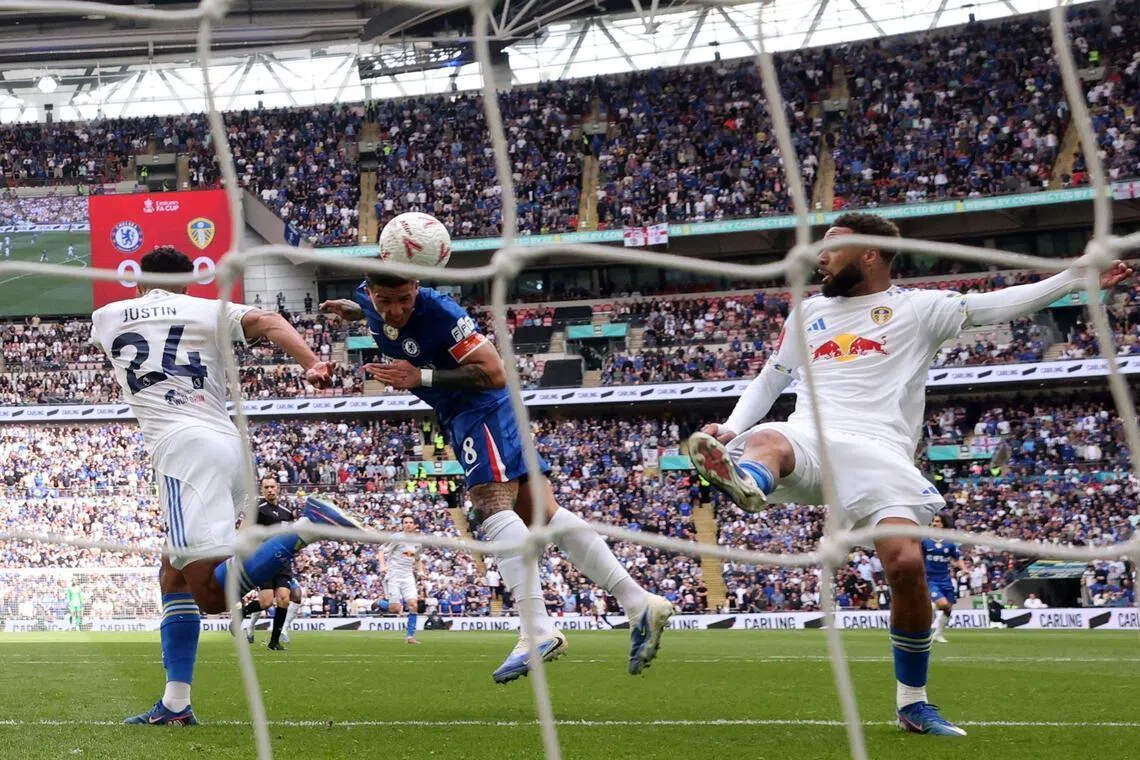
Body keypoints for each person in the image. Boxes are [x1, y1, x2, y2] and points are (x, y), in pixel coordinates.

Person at [686, 212, 1134, 738]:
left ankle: (912, 703)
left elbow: (997, 305)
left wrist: (1073, 276)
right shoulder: (807, 313)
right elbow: (772, 379)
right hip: (808, 436)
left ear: (870, 254)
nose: (819, 258)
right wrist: (731, 426)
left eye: (832, 248)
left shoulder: (919, 310)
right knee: (765, 439)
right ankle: (748, 483)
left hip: (880, 451)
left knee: (905, 567)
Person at [321, 272, 673, 683]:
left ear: (417, 285)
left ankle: (538, 630)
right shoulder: (368, 298)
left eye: (404, 299)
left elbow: (494, 372)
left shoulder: (441, 313)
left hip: (483, 407)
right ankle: (637, 602)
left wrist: (422, 378)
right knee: (541, 514)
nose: (395, 310)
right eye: (385, 301)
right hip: (461, 414)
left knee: (490, 503)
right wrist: (360, 312)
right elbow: (374, 307)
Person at [91, 245, 362, 726]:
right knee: (173, 574)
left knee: (209, 597)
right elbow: (270, 323)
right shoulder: (210, 308)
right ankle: (176, 703)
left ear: (135, 280)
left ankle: (306, 528)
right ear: (191, 282)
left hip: (181, 450)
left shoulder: (107, 315)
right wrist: (310, 363)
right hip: (230, 445)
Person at [239, 478, 299, 651]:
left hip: (282, 562)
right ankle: (241, 613)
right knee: (265, 602)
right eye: (266, 487)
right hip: (264, 560)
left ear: (278, 488)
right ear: (262, 490)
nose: (270, 490)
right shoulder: (257, 511)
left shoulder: (287, 513)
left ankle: (274, 642)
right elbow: (244, 531)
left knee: (284, 599)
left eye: (272, 487)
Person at [377, 514, 425, 644]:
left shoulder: (418, 542)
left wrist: (421, 571)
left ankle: (410, 637)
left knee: (413, 605)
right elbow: (381, 550)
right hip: (394, 575)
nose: (408, 524)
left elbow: (418, 558)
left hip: (408, 576)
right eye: (405, 522)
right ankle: (380, 603)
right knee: (395, 608)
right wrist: (382, 566)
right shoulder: (396, 538)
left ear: (415, 525)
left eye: (410, 522)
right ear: (402, 525)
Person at [922, 514, 962, 644]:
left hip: (945, 579)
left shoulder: (949, 543)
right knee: (942, 604)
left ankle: (937, 634)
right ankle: (923, 623)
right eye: (933, 521)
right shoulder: (925, 541)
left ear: (943, 524)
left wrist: (964, 569)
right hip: (930, 579)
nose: (934, 524)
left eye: (937, 521)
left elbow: (956, 559)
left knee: (948, 608)